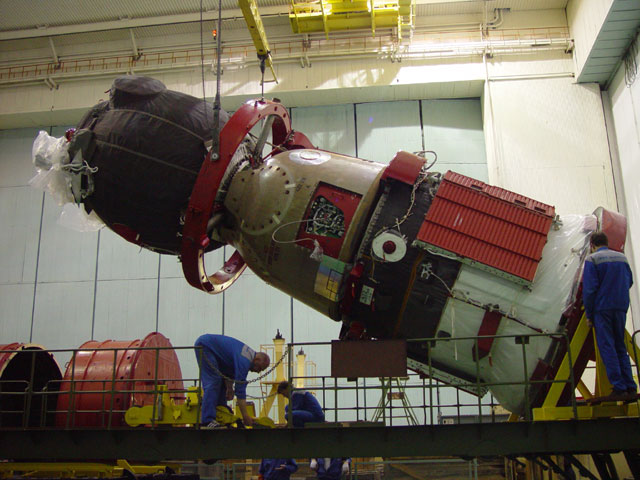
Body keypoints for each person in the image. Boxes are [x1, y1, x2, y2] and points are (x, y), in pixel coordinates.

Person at [583, 231, 636, 402]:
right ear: (606, 242)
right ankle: (630, 386)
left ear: (592, 245)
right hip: (620, 307)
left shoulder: (592, 260)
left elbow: (589, 290)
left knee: (607, 346)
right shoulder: (622, 258)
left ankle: (619, 387)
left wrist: (589, 314)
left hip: (602, 309)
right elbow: (629, 281)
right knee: (620, 346)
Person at [194, 334, 270, 427]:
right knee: (213, 381)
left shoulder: (246, 355)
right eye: (260, 368)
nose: (258, 372)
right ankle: (207, 420)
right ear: (257, 359)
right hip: (206, 346)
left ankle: (221, 412)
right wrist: (245, 416)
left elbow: (228, 371)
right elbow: (240, 390)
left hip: (211, 348)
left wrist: (229, 388)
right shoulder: (244, 361)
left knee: (221, 383)